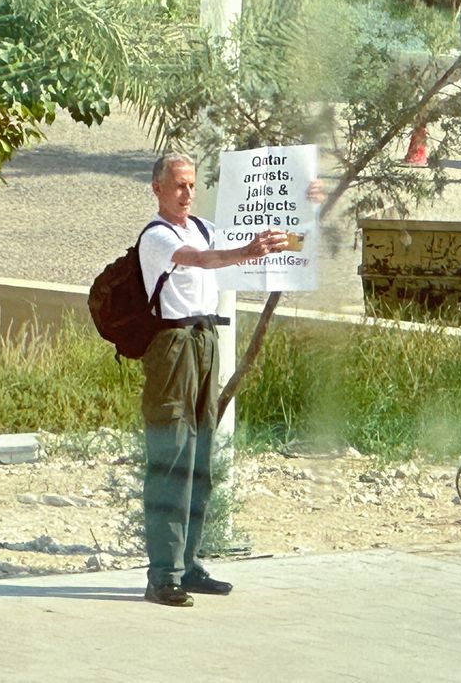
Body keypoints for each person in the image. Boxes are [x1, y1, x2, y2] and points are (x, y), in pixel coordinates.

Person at [138, 151, 323, 607]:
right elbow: (203, 260)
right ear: (158, 189)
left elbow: (272, 243)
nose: (186, 193)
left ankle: (190, 565)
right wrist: (243, 251)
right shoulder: (157, 238)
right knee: (172, 459)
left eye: (191, 185)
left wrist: (306, 207)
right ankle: (163, 574)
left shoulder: (202, 227)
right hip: (174, 345)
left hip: (205, 341)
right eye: (178, 185)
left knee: (201, 457)